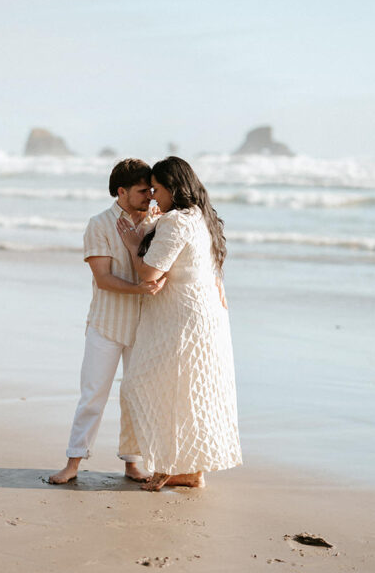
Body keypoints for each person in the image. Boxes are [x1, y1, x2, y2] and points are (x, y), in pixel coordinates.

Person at [116, 156, 242, 491]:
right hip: (204, 315)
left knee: (142, 384)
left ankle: (169, 465)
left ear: (173, 187)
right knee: (187, 392)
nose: (154, 197)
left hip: (181, 317)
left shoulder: (177, 222)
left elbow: (149, 272)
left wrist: (132, 247)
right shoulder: (202, 216)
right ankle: (189, 471)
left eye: (156, 189)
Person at [48, 158, 165, 484]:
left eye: (152, 191)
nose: (150, 197)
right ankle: (72, 463)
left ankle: (132, 463)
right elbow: (103, 278)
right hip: (106, 323)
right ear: (121, 191)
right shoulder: (99, 223)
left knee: (137, 396)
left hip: (146, 324)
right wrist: (138, 287)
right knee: (93, 395)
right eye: (143, 191)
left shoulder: (158, 221)